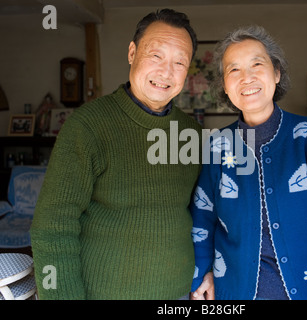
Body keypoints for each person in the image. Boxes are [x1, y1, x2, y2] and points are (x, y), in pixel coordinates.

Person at [30, 9, 201, 299]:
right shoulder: (88, 126)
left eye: (179, 62)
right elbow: (52, 227)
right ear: (132, 53)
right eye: (156, 56)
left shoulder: (191, 133)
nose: (166, 72)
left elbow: (203, 215)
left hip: (180, 294)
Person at [190, 25, 307, 300]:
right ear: (224, 85)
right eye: (233, 70)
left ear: (277, 72)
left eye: (257, 64)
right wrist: (203, 273)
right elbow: (202, 217)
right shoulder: (217, 146)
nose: (246, 77)